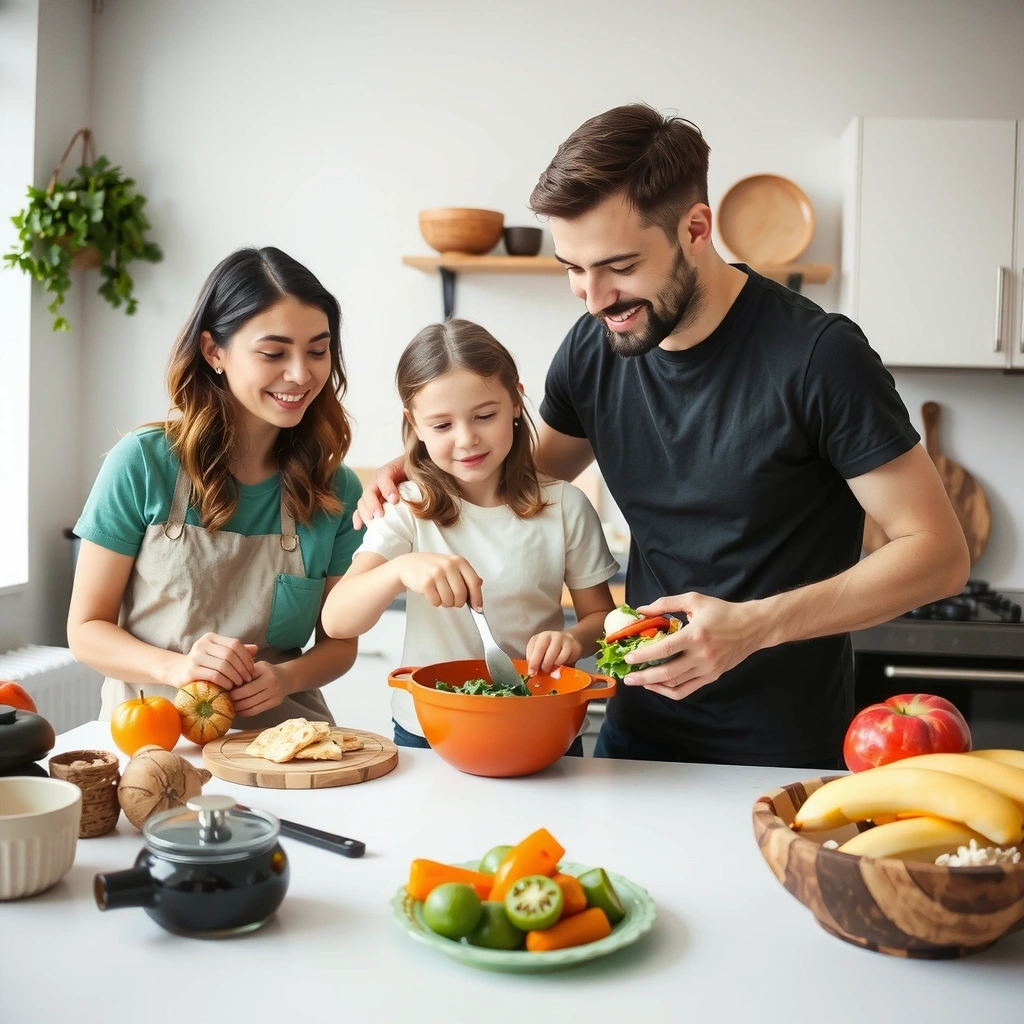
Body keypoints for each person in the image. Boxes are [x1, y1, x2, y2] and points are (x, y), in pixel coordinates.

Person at [355, 103, 970, 768]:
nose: (591, 298)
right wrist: (427, 459)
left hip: (783, 752)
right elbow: (524, 481)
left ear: (696, 229)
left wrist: (753, 628)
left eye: (618, 266)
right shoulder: (594, 349)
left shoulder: (818, 358)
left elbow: (938, 554)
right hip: (635, 739)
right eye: (573, 268)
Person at [68, 246, 364, 727]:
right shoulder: (144, 463)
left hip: (283, 744)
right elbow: (84, 630)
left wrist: (286, 679)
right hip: (153, 738)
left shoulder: (336, 489)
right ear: (214, 352)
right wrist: (178, 668)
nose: (301, 373)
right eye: (273, 353)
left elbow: (340, 645)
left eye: (317, 350)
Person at [320, 319, 619, 751]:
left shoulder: (565, 506)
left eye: (484, 415)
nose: (467, 439)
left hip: (540, 721)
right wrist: (400, 569)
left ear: (516, 402)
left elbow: (601, 620)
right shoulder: (407, 507)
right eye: (441, 426)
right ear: (415, 424)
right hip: (430, 732)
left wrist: (571, 640)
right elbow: (337, 619)